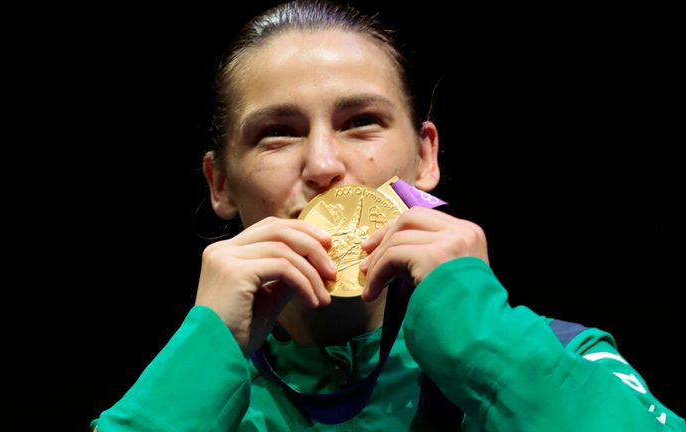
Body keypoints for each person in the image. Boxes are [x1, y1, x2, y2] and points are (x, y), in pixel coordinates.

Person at [91, 1, 684, 430]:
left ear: (425, 156)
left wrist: (482, 338)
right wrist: (207, 350)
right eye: (277, 134)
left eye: (359, 122)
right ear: (219, 182)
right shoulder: (177, 392)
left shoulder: (565, 356)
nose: (323, 164)